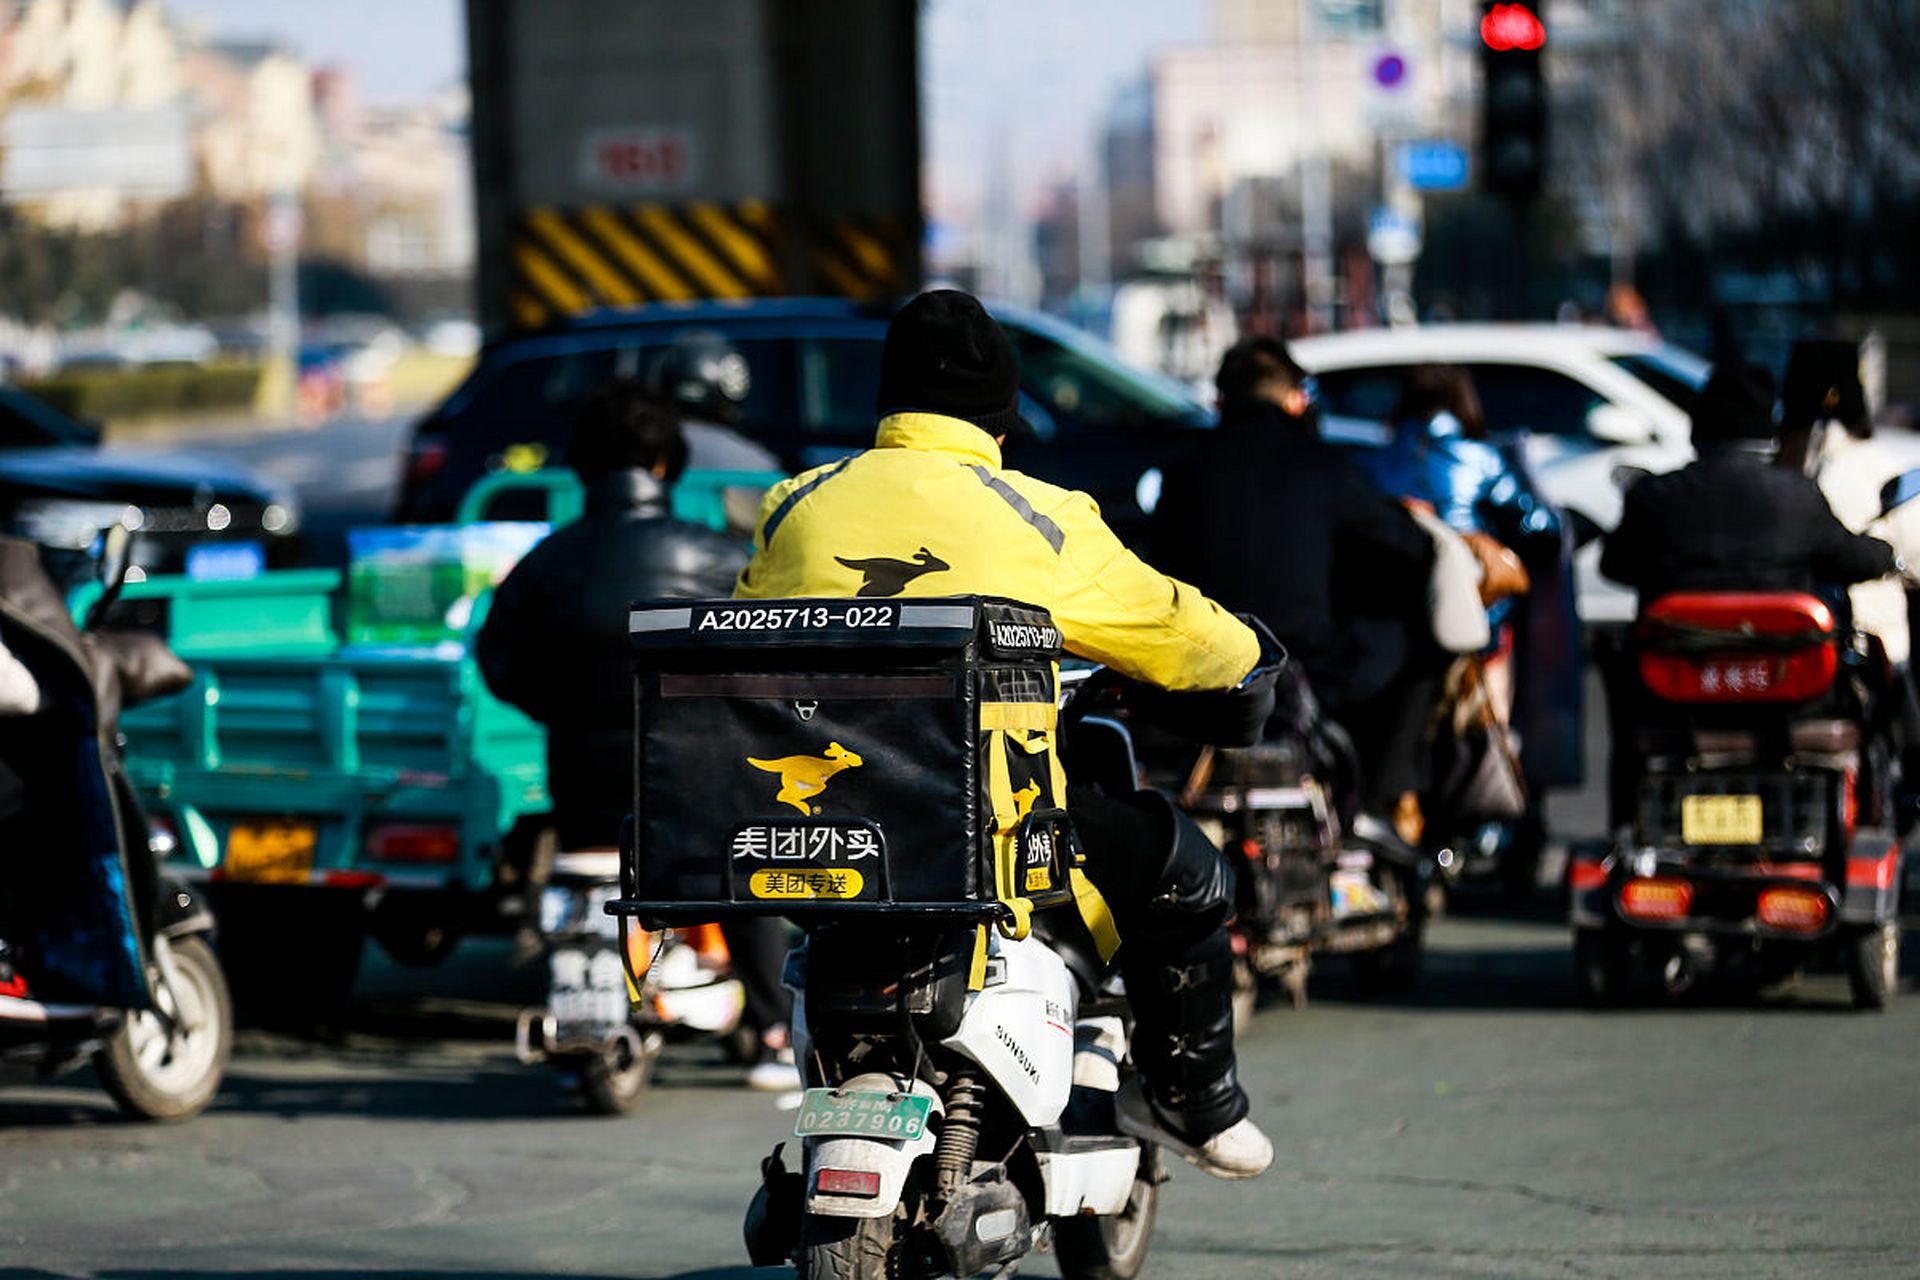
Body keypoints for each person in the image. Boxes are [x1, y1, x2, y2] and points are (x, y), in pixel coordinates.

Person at [735, 289, 1272, 1179]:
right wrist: (1250, 648)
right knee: (1186, 869)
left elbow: (750, 634)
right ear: (999, 416)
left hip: (821, 832)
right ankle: (1191, 1100)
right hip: (993, 837)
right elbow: (1186, 638)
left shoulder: (798, 505)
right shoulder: (1039, 516)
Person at [476, 381, 798, 1090]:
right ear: (664, 466)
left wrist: (559, 709)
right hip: (690, 787)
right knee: (743, 878)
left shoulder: (542, 563)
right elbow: (764, 661)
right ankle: (775, 1031)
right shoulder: (718, 558)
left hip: (579, 789)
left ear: (584, 467)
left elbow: (498, 663)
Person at [1152, 336, 1435, 827]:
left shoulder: (1182, 468)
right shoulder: (1323, 464)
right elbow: (1409, 547)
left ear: (1220, 400)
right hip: (1309, 668)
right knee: (1420, 636)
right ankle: (1383, 801)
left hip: (1203, 669)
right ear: (1296, 398)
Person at [1598, 360, 1896, 823]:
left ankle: (1625, 824)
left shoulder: (1655, 498)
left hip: (1675, 698)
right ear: (1768, 432)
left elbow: (1614, 565)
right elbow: (1853, 559)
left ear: (1697, 429)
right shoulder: (1797, 497)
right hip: (1788, 698)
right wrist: (1885, 555)